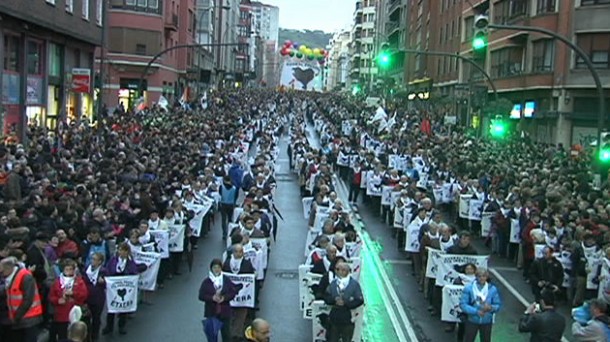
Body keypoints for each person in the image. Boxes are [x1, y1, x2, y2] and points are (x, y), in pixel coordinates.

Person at [1, 256, 43, 342]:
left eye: (2, 272)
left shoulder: (25, 277)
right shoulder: (11, 277)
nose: (1, 274)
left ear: (9, 268)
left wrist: (16, 317)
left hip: (29, 318)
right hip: (19, 319)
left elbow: (27, 300)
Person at [199, 258, 240, 342]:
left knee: (226, 336)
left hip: (225, 312)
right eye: (214, 267)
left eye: (218, 267)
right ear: (211, 269)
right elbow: (201, 296)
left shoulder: (226, 280)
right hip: (211, 313)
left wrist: (224, 298)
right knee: (212, 337)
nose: (216, 269)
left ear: (221, 268)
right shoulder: (207, 282)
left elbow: (232, 292)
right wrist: (212, 298)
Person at [48, 258, 88, 342]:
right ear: (63, 270)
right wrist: (57, 300)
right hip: (61, 315)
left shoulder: (79, 281)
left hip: (75, 314)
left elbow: (84, 295)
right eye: (67, 269)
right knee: (63, 337)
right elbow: (51, 296)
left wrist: (73, 293)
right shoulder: (57, 282)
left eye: (71, 269)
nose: (69, 271)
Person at [102, 243, 138, 336]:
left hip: (125, 286)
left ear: (127, 252)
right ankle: (109, 327)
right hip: (114, 287)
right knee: (111, 307)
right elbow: (107, 269)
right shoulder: (113, 260)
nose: (121, 252)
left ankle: (121, 326)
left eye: (123, 250)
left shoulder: (130, 262)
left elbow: (134, 271)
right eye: (120, 250)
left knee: (123, 307)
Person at [324, 261, 364, 342]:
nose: (339, 271)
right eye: (338, 269)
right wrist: (334, 300)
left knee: (347, 339)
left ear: (347, 271)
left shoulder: (354, 284)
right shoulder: (333, 283)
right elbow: (326, 296)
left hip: (347, 319)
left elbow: (360, 300)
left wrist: (346, 303)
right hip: (334, 319)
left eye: (342, 270)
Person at [459, 268, 502, 342]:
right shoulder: (469, 288)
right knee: (468, 339)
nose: (482, 278)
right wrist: (476, 312)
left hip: (487, 321)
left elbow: (497, 305)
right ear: (476, 277)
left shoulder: (492, 289)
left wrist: (491, 308)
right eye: (479, 276)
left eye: (484, 276)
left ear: (487, 277)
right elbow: (463, 304)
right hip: (472, 320)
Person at [81, 252, 106, 342]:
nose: (92, 261)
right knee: (86, 318)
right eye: (92, 259)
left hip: (98, 299)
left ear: (100, 262)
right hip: (87, 297)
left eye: (95, 259)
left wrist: (103, 282)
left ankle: (95, 336)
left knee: (96, 318)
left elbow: (109, 284)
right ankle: (86, 336)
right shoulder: (86, 270)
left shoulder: (103, 271)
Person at [220, 176, 239, 240]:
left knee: (223, 219)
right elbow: (236, 196)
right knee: (230, 219)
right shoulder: (234, 187)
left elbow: (220, 194)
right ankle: (229, 232)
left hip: (223, 204)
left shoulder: (221, 187)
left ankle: (224, 234)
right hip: (231, 204)